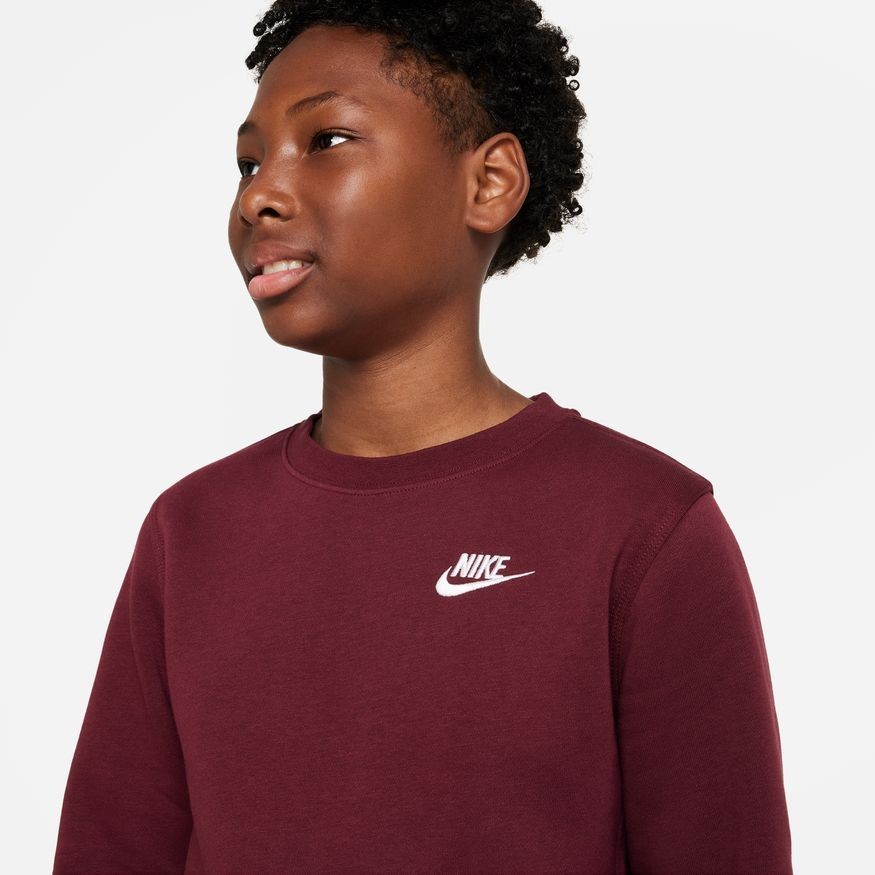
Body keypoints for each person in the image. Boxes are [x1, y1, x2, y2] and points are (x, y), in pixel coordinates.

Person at [53, 2, 793, 873]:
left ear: (488, 184)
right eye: (249, 162)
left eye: (326, 141)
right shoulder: (191, 532)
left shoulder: (643, 527)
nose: (258, 195)